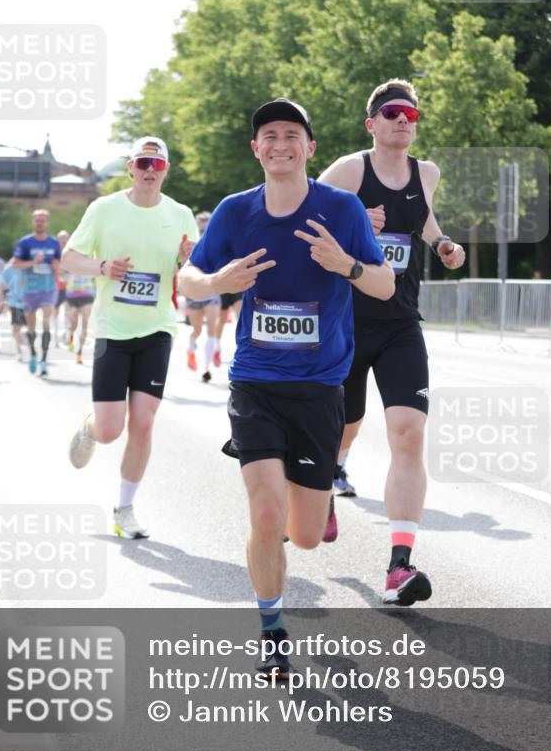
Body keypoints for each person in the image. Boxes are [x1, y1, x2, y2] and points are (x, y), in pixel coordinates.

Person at [178, 98, 393, 675]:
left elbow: (383, 285)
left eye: (291, 134)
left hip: (322, 387)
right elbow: (187, 276)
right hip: (256, 382)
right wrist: (216, 281)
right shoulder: (235, 210)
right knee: (266, 518)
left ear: (309, 147)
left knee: (305, 533)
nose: (279, 143)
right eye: (268, 134)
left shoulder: (342, 209)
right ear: (256, 149)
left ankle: (309, 513)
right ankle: (271, 628)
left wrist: (343, 263)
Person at [319, 78, 466, 605]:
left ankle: (399, 568)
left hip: (401, 322)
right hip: (345, 323)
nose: (403, 120)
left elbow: (422, 221)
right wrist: (355, 218)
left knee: (408, 434)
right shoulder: (349, 170)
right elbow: (305, 222)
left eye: (411, 113)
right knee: (346, 423)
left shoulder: (426, 172)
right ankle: (325, 478)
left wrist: (445, 244)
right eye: (392, 112)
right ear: (372, 122)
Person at [62, 136, 197, 539]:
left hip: (157, 329)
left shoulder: (180, 214)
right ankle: (89, 428)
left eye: (157, 166)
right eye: (143, 163)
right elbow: (70, 258)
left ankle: (125, 509)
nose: (149, 171)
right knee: (110, 429)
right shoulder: (104, 209)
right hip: (112, 330)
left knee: (142, 424)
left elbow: (190, 272)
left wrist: (191, 258)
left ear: (166, 170)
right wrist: (103, 266)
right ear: (130, 167)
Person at [12, 210, 61, 376]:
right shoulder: (25, 242)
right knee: (31, 327)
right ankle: (33, 354)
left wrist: (56, 265)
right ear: (33, 222)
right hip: (30, 289)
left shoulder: (54, 243)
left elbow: (60, 263)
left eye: (43, 221)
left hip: (48, 288)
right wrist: (33, 262)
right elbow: (15, 264)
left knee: (46, 320)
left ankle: (44, 359)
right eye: (37, 221)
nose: (40, 223)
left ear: (47, 223)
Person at [185, 211, 222, 383]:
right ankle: (190, 349)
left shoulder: (219, 239)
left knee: (211, 330)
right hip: (194, 293)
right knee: (197, 330)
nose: (206, 225)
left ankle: (206, 368)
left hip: (211, 290)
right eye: (203, 222)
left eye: (209, 221)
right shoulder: (192, 241)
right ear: (198, 224)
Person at [0, 259, 26, 360]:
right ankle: (19, 350)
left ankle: (24, 344)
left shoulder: (32, 264)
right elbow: (1, 283)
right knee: (16, 327)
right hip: (15, 302)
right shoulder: (9, 268)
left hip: (30, 302)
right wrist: (1, 300)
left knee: (28, 327)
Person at [64, 272, 96, 364]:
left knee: (85, 324)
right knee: (73, 325)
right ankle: (71, 338)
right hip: (73, 297)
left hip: (87, 297)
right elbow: (62, 273)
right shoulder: (72, 260)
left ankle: (79, 353)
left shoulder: (91, 259)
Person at [215, 291, 243, 367]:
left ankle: (242, 347)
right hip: (223, 289)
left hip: (237, 288)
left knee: (241, 318)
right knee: (221, 320)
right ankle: (216, 347)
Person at [53, 230, 70, 346]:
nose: (63, 240)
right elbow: (55, 267)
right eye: (60, 238)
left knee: (68, 312)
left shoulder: (71, 253)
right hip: (56, 287)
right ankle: (55, 337)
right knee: (55, 312)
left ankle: (65, 334)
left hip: (69, 287)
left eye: (65, 238)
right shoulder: (54, 253)